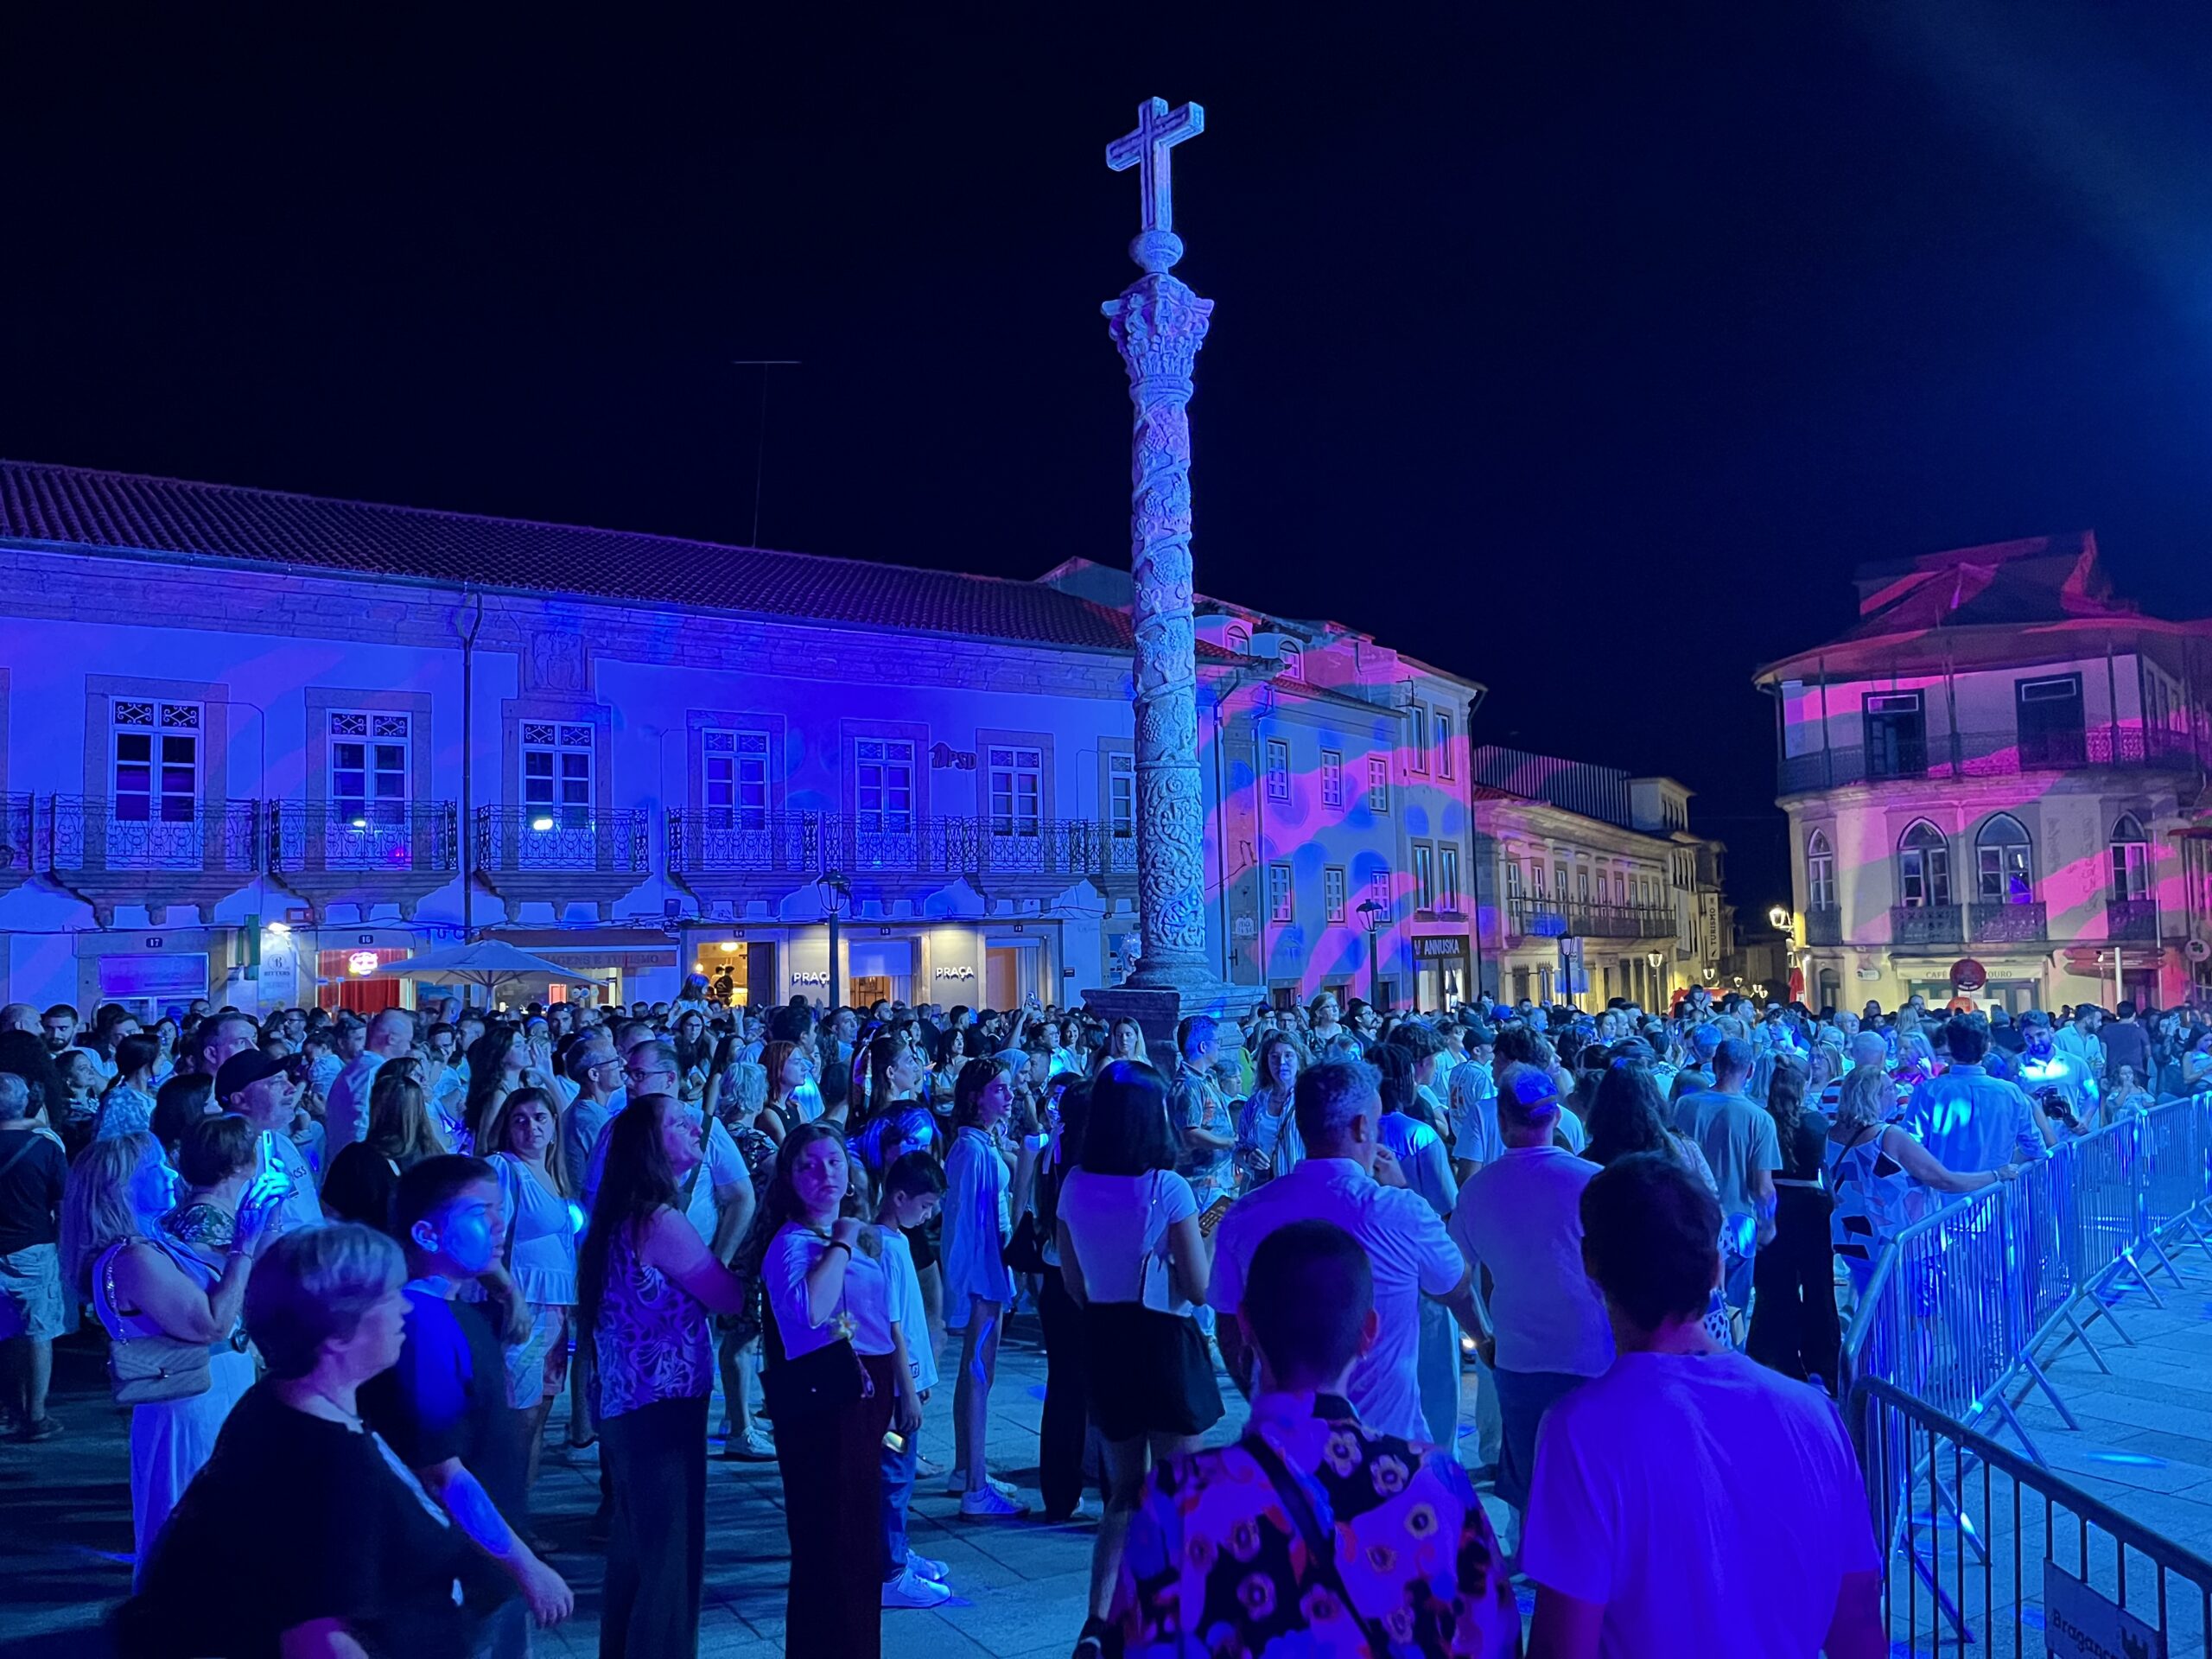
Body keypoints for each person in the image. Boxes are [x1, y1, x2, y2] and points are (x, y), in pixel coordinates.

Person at [1520, 1154, 1885, 1658]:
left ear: (1590, 1264)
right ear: (1716, 1268)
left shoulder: (1581, 1433)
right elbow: (1860, 1626)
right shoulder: (1814, 1415)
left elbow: (1563, 1646)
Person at [1111, 1220, 1519, 1659]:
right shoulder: (1437, 1484)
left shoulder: (1178, 1497)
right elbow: (1494, 1639)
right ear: (1368, 1332)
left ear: (1246, 1324)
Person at [121, 1224, 478, 1657]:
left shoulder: (275, 1402)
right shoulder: (331, 1463)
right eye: (388, 1297)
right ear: (338, 1331)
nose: (405, 1308)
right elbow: (319, 1639)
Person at [359, 1156, 573, 1658]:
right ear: (427, 1235)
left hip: (482, 1570)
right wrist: (527, 1566)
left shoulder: (455, 1313)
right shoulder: (424, 1329)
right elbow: (443, 1472)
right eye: (480, 1212)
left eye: (500, 1209)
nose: (500, 1223)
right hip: (458, 1578)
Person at [1211, 1060, 1474, 1442]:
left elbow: (1229, 1326)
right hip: (1388, 1449)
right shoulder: (1399, 1211)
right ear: (1362, 1127)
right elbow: (1456, 1283)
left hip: (1281, 1449)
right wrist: (1402, 1191)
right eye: (1377, 1123)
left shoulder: (1245, 1215)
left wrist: (1258, 1395)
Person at [1057, 1061, 1224, 1658]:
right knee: (1181, 1490)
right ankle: (1182, 1616)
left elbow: (1073, 1284)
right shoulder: (1167, 1188)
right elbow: (1198, 1286)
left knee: (1123, 1491)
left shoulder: (1074, 1183)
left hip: (1106, 1336)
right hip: (1164, 1342)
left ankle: (1098, 1622)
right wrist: (1212, 1226)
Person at [578, 1093, 751, 1659]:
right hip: (663, 1408)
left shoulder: (618, 1214)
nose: (694, 1125)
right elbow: (724, 1295)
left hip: (628, 1405)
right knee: (671, 1563)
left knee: (635, 1554)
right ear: (651, 1146)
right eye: (678, 1122)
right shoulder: (659, 1221)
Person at [63, 1126, 276, 1576]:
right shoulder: (132, 1259)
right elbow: (211, 1323)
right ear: (120, 1188)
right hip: (191, 1404)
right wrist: (245, 1245)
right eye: (152, 1167)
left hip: (210, 1394)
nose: (168, 1171)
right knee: (192, 1523)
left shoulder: (155, 1245)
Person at [753, 1126, 918, 1657]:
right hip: (826, 1406)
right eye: (809, 1165)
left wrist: (902, 1383)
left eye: (833, 1163)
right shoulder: (793, 1243)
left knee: (854, 1541)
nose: (825, 1175)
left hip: (863, 1395)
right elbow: (809, 1315)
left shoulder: (852, 1233)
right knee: (833, 1542)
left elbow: (873, 1318)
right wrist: (843, 1242)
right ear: (789, 1178)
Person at [1450, 1063, 1613, 1541]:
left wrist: (1481, 1337)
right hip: (1593, 1352)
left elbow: (1455, 1277)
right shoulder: (1593, 1181)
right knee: (1591, 1479)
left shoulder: (1478, 1190)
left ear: (1502, 1122)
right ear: (1557, 1119)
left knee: (1528, 1479)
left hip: (1518, 1356)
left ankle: (1533, 1561)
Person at [1827, 1065, 2019, 1293]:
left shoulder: (1832, 1134)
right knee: (1913, 1317)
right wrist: (1997, 1175)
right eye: (1890, 1088)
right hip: (1901, 1245)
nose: (1896, 1093)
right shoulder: (1889, 1135)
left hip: (1854, 1242)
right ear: (1875, 1096)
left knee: (1871, 1313)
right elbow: (1944, 1180)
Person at [480, 1087, 579, 1502]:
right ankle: (503, 1514)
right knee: (517, 1412)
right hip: (524, 1303)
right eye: (520, 1119)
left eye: (540, 1118)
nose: (531, 1127)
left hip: (556, 1306)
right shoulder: (503, 1169)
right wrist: (508, 1295)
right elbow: (484, 1238)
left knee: (539, 1411)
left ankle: (522, 1511)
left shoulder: (555, 1176)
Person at [941, 1057, 1028, 1514]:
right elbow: (968, 1224)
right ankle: (975, 1484)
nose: (1009, 1095)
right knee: (978, 1370)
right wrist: (972, 1282)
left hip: (988, 1266)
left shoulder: (980, 1144)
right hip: (983, 1270)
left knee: (978, 1371)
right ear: (976, 1096)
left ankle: (966, 1466)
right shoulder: (973, 1151)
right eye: (999, 1089)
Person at [873, 1151, 955, 1608]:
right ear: (898, 1196)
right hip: (898, 1390)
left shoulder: (897, 1241)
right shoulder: (884, 1246)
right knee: (895, 1475)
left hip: (909, 1384)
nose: (929, 1214)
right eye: (924, 1205)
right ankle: (890, 1570)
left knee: (899, 1473)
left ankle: (896, 1552)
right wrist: (907, 1389)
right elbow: (892, 1326)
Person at [1745, 1053, 1840, 1387]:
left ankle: (1775, 1359)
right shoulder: (1816, 1123)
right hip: (1812, 1208)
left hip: (1774, 1207)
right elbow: (1826, 1170)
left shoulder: (1761, 1120)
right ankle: (1823, 1365)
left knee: (1774, 1290)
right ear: (1801, 1089)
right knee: (1819, 1288)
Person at [1675, 1037, 1778, 1321]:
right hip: (1739, 1223)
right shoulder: (1759, 1119)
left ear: (1715, 1064)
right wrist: (1768, 1226)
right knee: (1733, 1310)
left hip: (1689, 1218)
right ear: (1751, 1071)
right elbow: (1763, 1188)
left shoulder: (1684, 1106)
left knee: (1692, 1308)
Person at [0, 1071, 68, 1440]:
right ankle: (36, 1414)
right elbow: (61, 1202)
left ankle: (7, 1408)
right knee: (38, 1331)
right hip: (33, 1248)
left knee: (3, 1332)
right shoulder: (44, 1147)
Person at [1898, 1014, 2050, 1177]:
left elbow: (1910, 1147)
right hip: (1996, 1192)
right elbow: (2035, 1147)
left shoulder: (1928, 1091)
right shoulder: (2011, 1093)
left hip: (1945, 1196)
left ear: (1949, 1046)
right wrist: (2001, 1166)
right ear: (1988, 1047)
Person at [322, 1066, 443, 1236]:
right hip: (420, 1254)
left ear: (376, 1108)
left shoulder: (355, 1158)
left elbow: (330, 1214)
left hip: (371, 1252)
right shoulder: (437, 1156)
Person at [213, 1049, 323, 1236]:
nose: (291, 1088)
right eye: (277, 1082)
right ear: (240, 1100)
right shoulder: (225, 1156)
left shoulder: (279, 1140)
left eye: (287, 1079)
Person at [1166, 1016, 1236, 1215]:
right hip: (1202, 1183)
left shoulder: (1207, 1078)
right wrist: (1230, 1142)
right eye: (1217, 1042)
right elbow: (1190, 1134)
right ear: (1203, 1046)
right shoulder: (1188, 1085)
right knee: (1209, 1239)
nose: (1219, 1047)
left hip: (1217, 1177)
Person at [327, 1007, 416, 1154]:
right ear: (391, 1039)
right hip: (358, 1167)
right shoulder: (372, 1072)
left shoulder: (362, 1067)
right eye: (408, 1041)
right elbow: (360, 1126)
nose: (408, 1048)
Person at [95, 1033, 163, 1142]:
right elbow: (106, 1142)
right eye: (160, 1054)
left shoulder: (156, 1092)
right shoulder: (118, 1100)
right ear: (145, 1060)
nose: (163, 1059)